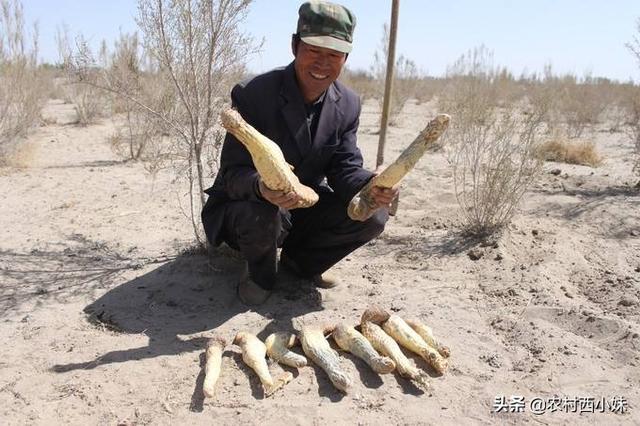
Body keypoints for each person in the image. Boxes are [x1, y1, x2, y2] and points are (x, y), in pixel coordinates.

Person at [201, 0, 398, 305]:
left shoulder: (348, 104)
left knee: (374, 215)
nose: (322, 64)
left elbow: (345, 170)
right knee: (264, 212)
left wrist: (371, 184)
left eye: (333, 54)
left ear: (345, 57)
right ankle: (259, 274)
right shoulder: (254, 93)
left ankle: (302, 264)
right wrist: (261, 187)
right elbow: (232, 174)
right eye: (313, 51)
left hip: (302, 205)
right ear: (295, 46)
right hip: (246, 206)